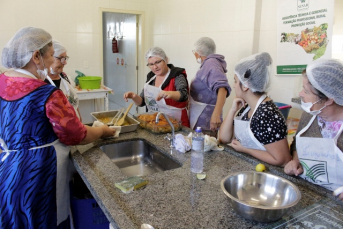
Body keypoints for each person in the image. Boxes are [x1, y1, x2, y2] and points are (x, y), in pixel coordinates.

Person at [0, 27, 115, 228]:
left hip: (7, 167)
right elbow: (76, 135)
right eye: (52, 55)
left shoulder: (3, 82)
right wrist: (103, 131)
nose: (54, 61)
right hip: (38, 174)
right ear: (36, 56)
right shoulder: (46, 93)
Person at [284, 59, 343, 201]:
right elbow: (296, 145)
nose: (300, 94)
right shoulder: (309, 115)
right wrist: (295, 161)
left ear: (329, 99)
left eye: (306, 91)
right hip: (308, 196)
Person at [218, 52, 291, 166]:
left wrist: (245, 149)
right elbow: (224, 139)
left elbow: (282, 159)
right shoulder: (246, 108)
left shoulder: (267, 114)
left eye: (236, 81)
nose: (234, 85)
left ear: (245, 85)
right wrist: (232, 110)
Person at [123, 47, 190, 127]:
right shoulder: (151, 77)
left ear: (166, 60)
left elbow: (184, 95)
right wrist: (134, 96)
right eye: (151, 64)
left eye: (157, 62)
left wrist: (170, 94)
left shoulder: (177, 75)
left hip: (177, 124)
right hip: (156, 123)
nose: (155, 67)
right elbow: (142, 102)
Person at [189, 37, 231, 136]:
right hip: (200, 118)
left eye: (194, 52)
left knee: (204, 147)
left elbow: (222, 88)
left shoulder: (211, 63)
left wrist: (216, 114)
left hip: (206, 121)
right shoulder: (209, 64)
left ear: (198, 52)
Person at [45, 40, 82, 121]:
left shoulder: (65, 77)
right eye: (61, 58)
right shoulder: (42, 82)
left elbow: (74, 103)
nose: (65, 62)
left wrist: (80, 122)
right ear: (49, 58)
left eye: (65, 58)